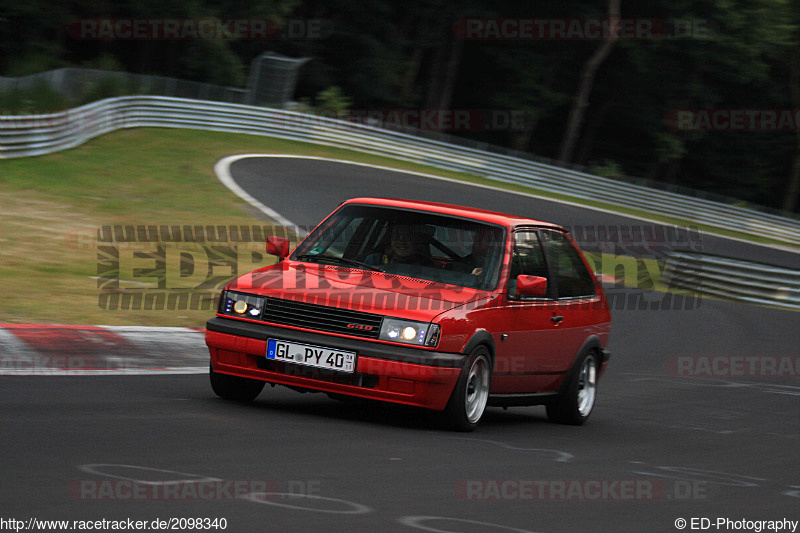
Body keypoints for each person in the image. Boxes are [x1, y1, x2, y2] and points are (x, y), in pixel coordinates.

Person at [366, 224, 433, 267]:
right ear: (390, 240)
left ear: (417, 242)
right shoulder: (374, 261)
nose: (401, 241)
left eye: (407, 237)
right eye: (396, 236)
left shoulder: (430, 269)